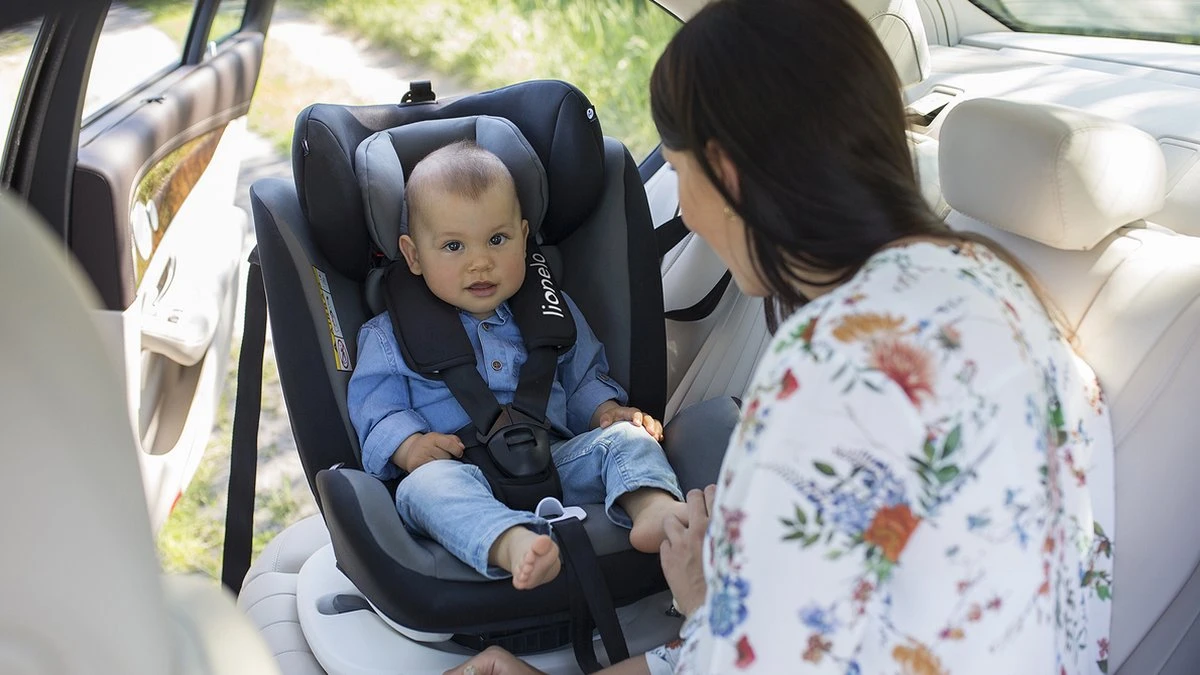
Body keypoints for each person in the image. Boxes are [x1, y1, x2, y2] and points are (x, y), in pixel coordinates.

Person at [445, 0, 1114, 672]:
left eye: (678, 174)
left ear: (726, 171)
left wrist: (703, 598)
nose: (691, 213)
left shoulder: (836, 364)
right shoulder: (1005, 295)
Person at [348, 140, 685, 590]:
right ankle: (510, 544)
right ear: (412, 255)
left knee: (627, 439)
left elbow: (581, 374)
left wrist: (605, 411)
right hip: (460, 473)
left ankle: (653, 506)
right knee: (421, 490)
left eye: (497, 239)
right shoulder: (389, 337)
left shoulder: (551, 311)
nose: (480, 261)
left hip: (556, 461)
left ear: (524, 238)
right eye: (453, 246)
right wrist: (408, 446)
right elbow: (376, 408)